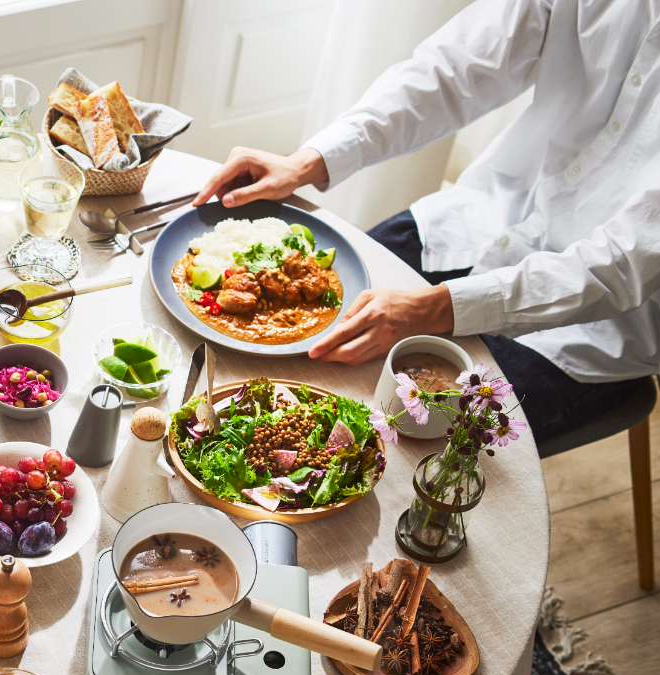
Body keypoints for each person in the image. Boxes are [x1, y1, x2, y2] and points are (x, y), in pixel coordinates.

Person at [194, 0, 660, 445]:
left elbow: (622, 262)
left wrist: (432, 310)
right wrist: (310, 160)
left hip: (593, 330)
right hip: (479, 223)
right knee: (295, 358)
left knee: (389, 442)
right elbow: (456, 69)